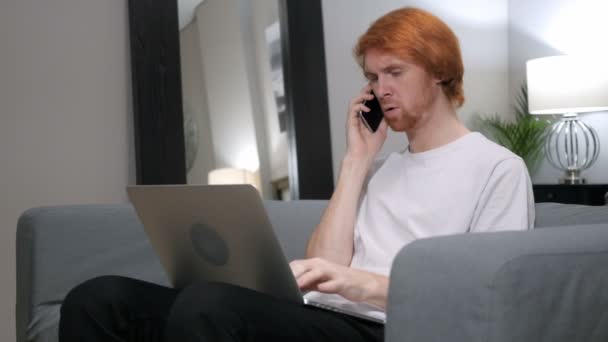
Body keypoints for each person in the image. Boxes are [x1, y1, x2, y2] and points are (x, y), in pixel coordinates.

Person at [59, 6, 534, 342]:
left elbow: (485, 298)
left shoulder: (497, 170)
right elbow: (322, 266)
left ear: (440, 73)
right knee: (100, 299)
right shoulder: (381, 169)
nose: (379, 90)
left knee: (209, 306)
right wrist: (356, 162)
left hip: (389, 329)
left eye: (394, 72)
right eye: (371, 78)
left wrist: (359, 284)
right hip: (323, 316)